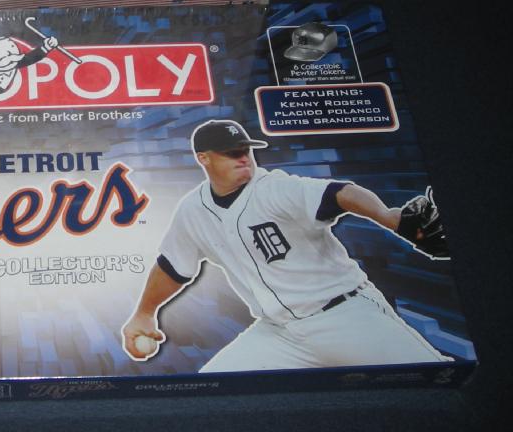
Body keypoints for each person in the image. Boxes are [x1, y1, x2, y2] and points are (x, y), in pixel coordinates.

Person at [122, 119, 450, 372]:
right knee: (210, 392)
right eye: (231, 152)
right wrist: (144, 313)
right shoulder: (192, 209)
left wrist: (387, 216)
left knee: (434, 383)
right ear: (203, 158)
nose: (243, 158)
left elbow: (340, 193)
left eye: (245, 150)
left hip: (347, 316)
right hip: (279, 332)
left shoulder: (275, 188)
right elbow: (172, 266)